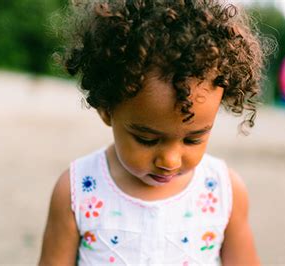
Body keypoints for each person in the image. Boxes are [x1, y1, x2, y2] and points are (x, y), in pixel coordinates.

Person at [39, 0, 266, 265]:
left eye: (194, 138)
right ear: (107, 110)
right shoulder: (77, 190)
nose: (170, 160)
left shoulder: (224, 191)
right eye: (147, 139)